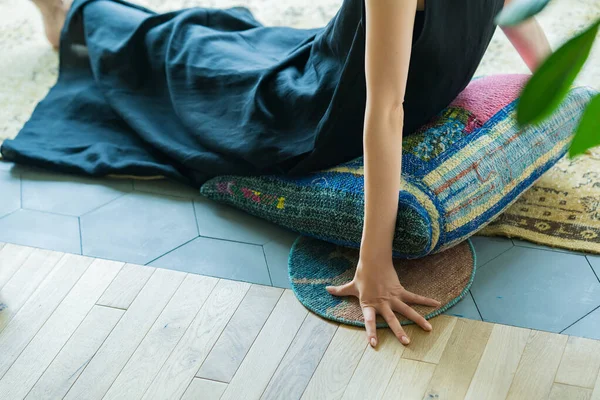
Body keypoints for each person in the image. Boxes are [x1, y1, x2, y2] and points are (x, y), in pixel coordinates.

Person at [18, 0, 551, 347]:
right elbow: (383, 109)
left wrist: (556, 97)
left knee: (217, 50)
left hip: (367, 77)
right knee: (187, 64)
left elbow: (520, 18)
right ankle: (72, 12)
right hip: (314, 113)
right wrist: (374, 262)